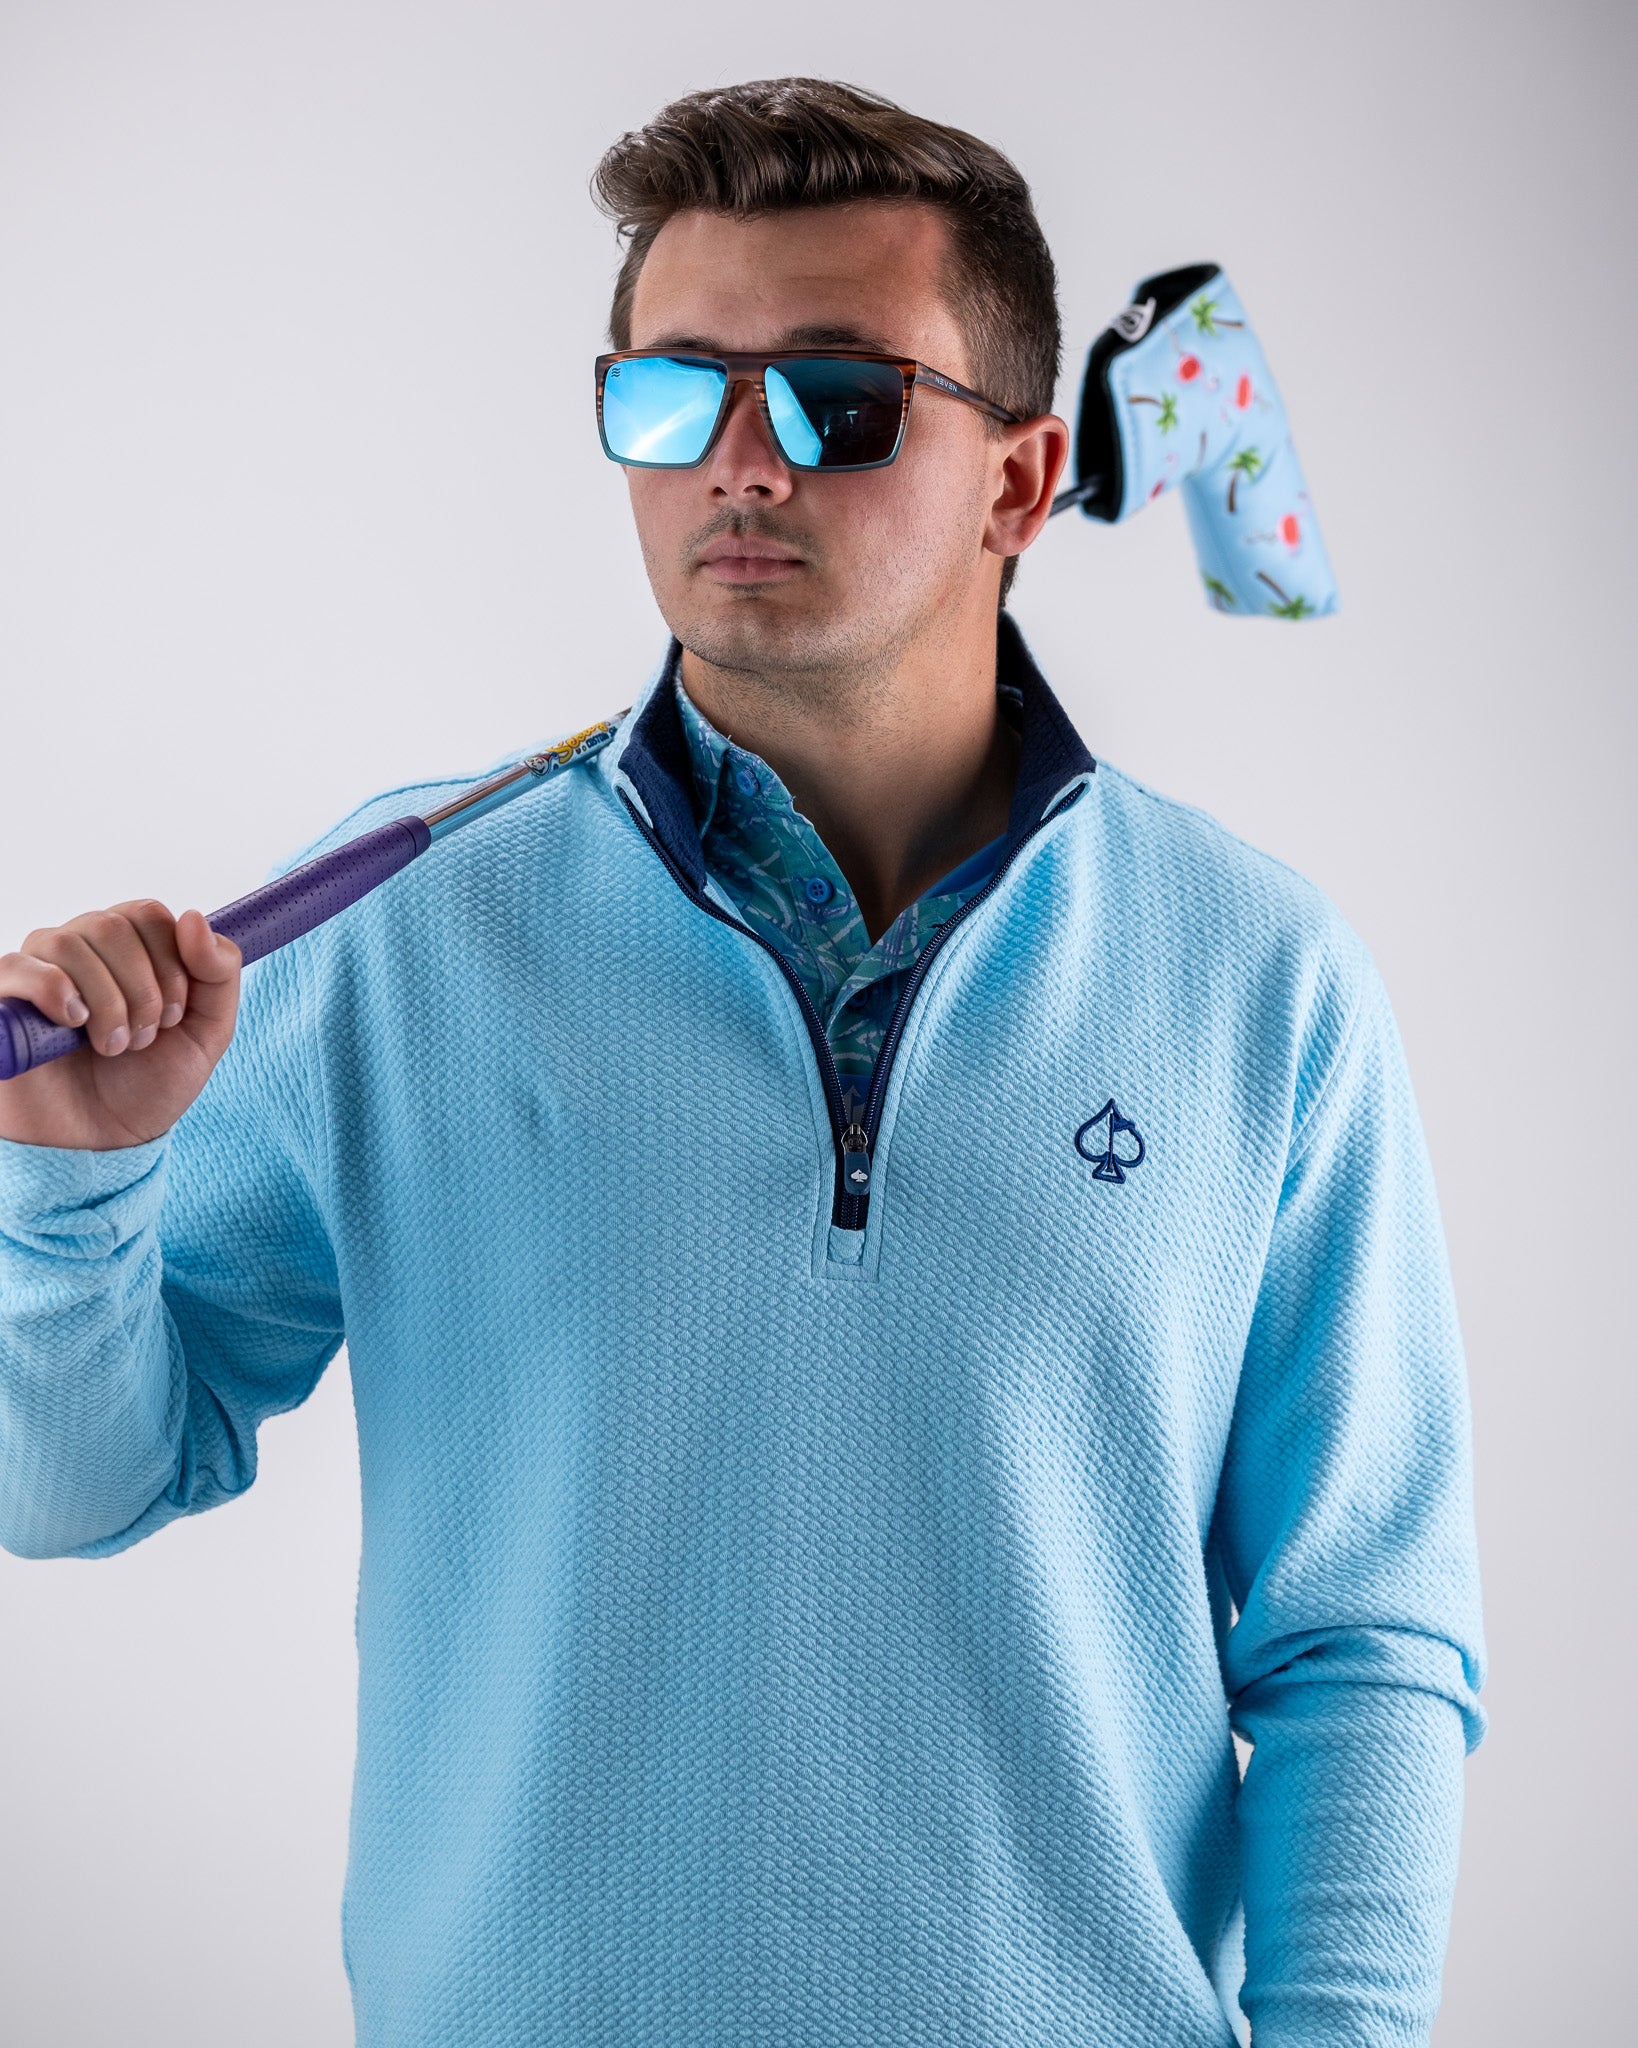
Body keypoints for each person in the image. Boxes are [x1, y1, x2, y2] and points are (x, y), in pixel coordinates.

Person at [0, 77, 1485, 2048]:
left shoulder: (1260, 980)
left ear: (1023, 483)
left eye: (837, 401)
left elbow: (1358, 1640)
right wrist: (67, 1185)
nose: (740, 463)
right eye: (672, 392)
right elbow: (73, 1486)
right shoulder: (400, 935)